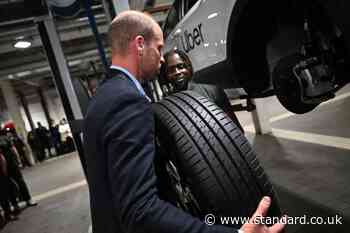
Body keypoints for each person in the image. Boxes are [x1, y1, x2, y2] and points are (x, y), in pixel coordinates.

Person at [83, 10, 285, 233]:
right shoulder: (127, 101)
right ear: (140, 44)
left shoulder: (104, 96)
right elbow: (140, 210)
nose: (162, 58)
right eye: (159, 48)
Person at [161, 49, 244, 132]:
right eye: (171, 70)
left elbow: (236, 129)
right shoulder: (167, 106)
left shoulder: (213, 92)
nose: (177, 72)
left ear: (188, 67)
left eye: (181, 67)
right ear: (166, 75)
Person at [0, 129, 37, 208]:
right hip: (5, 165)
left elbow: (13, 149)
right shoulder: (5, 138)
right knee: (11, 185)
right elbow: (13, 149)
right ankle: (17, 203)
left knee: (18, 182)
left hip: (11, 164)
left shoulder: (5, 138)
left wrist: (18, 160)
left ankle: (25, 200)